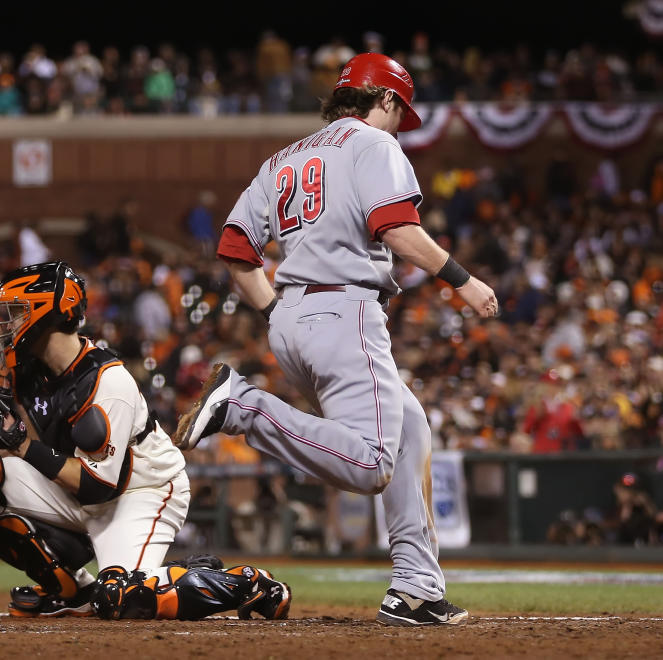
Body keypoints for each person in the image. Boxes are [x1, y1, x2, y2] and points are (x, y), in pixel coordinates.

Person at [174, 53, 499, 627]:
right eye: (403, 112)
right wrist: (464, 281)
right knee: (374, 462)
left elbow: (235, 250)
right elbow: (397, 227)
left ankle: (416, 588)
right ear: (389, 100)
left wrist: (277, 310)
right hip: (344, 309)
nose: (402, 125)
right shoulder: (373, 144)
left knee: (410, 427)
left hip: (290, 316)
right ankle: (243, 408)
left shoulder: (283, 158)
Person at [0, 261, 291, 620]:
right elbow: (24, 444)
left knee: (120, 597)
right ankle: (70, 590)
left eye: (18, 311)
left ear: (46, 311)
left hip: (140, 490)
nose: (9, 323)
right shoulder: (27, 370)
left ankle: (245, 583)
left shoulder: (107, 382)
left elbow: (97, 486)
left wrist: (20, 445)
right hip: (77, 483)